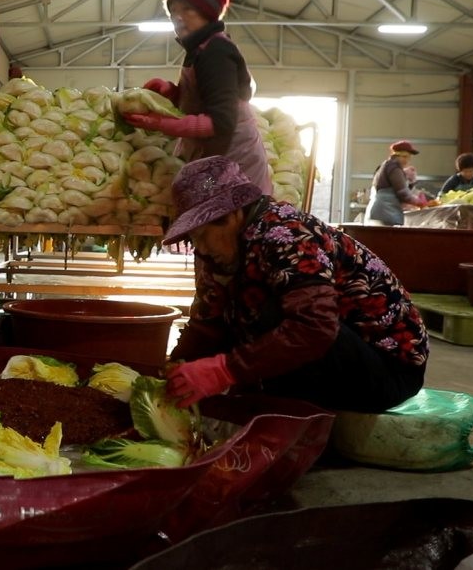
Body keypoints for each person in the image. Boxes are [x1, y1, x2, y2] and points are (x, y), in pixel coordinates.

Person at [164, 156, 428, 414]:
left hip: (384, 370)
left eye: (202, 235)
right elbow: (207, 323)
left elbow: (315, 327)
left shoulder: (286, 233)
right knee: (241, 318)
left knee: (272, 317)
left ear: (232, 216)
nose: (201, 247)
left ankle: (291, 417)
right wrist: (171, 373)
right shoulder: (216, 254)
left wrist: (225, 370)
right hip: (334, 358)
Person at [115, 0, 273, 195]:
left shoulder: (216, 51)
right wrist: (172, 94)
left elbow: (221, 121)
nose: (178, 18)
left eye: (187, 9)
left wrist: (162, 124)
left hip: (235, 167)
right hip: (217, 163)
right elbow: (205, 100)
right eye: (173, 11)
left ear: (208, 11)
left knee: (227, 227)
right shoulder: (200, 49)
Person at [366, 140, 428, 225]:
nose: (407, 160)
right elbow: (402, 193)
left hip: (381, 212)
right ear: (396, 155)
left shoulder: (387, 165)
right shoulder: (394, 168)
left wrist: (409, 181)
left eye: (409, 157)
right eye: (404, 157)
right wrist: (419, 202)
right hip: (386, 212)